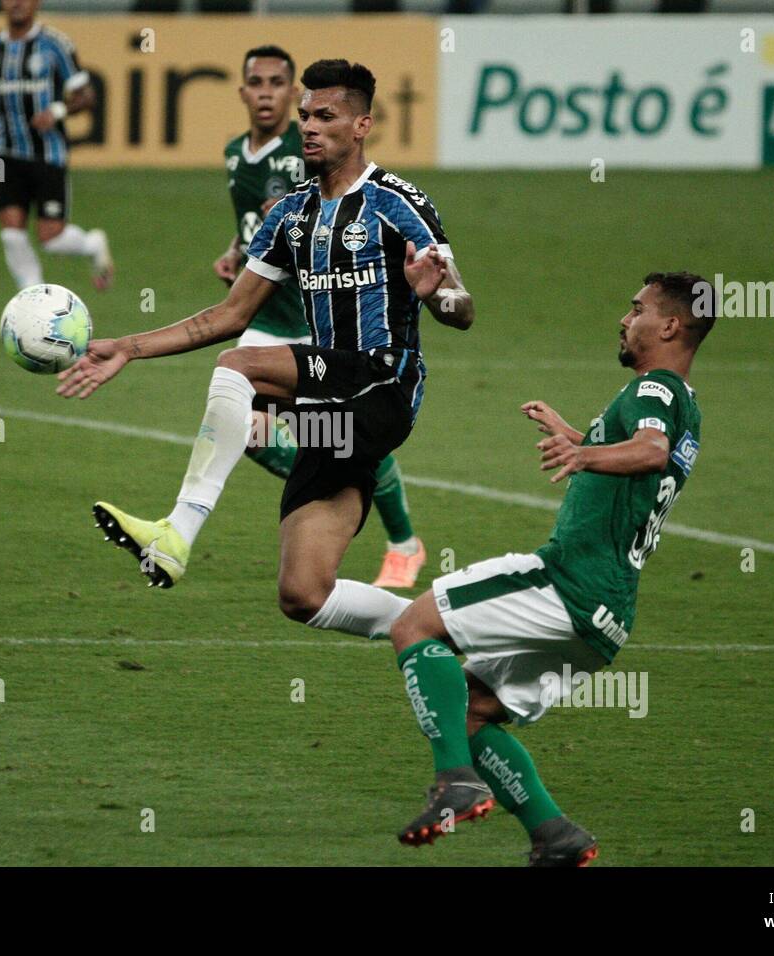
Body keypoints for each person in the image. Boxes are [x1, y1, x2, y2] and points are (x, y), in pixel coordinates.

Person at [57, 60, 473, 653]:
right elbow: (229, 316)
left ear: (361, 126)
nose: (308, 126)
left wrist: (438, 296)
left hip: (381, 386)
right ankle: (448, 632)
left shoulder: (397, 203)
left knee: (239, 368)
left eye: (324, 116)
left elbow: (463, 305)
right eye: (305, 115)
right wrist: (127, 346)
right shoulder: (289, 216)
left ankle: (179, 529)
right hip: (335, 413)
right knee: (303, 593)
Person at [386, 272, 713, 865]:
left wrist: (583, 451)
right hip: (607, 619)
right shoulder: (686, 405)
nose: (624, 318)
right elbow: (646, 462)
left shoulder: (654, 391)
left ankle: (454, 783)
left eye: (636, 308)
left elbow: (649, 451)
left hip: (567, 583)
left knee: (414, 626)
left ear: (669, 325)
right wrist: (578, 435)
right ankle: (553, 834)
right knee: (471, 713)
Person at [216, 47, 424, 588]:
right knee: (254, 429)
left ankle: (401, 540)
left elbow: (321, 220)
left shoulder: (309, 155)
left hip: (319, 326)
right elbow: (273, 228)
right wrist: (238, 253)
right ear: (241, 91)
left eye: (276, 83)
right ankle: (365, 508)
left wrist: (443, 295)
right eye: (255, 82)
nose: (266, 93)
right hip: (266, 319)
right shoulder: (235, 154)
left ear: (290, 94)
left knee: (340, 429)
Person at [0, 0, 114, 292]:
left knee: (51, 238)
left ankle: (91, 244)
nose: (17, 3)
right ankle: (34, 295)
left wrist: (58, 112)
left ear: (36, 2)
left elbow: (87, 96)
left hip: (48, 154)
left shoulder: (55, 45)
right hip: (4, 156)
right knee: (10, 231)